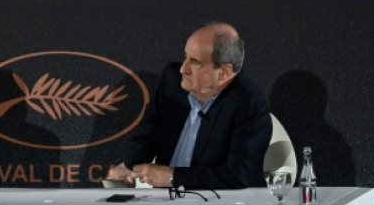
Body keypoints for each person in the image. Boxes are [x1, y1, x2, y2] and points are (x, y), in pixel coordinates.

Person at [107, 22, 272, 189]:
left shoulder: (250, 104)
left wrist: (173, 177)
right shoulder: (172, 80)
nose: (183, 69)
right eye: (185, 56)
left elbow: (239, 176)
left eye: (195, 62)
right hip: (166, 198)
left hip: (218, 201)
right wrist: (128, 166)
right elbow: (148, 133)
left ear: (224, 72)